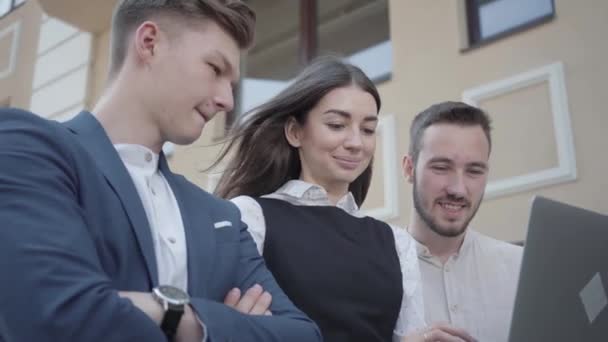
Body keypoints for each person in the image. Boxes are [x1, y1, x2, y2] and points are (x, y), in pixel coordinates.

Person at [0, 1, 322, 341]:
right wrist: (220, 325)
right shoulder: (27, 147)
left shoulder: (223, 217)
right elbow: (58, 319)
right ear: (150, 42)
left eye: (232, 83)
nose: (228, 100)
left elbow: (303, 336)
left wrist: (162, 311)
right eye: (215, 68)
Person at [212, 57, 476, 342]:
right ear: (295, 131)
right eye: (337, 125)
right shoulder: (250, 217)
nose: (355, 143)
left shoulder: (396, 244)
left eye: (367, 129)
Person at [402, 101, 523, 342]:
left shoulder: (522, 268)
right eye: (441, 167)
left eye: (474, 171)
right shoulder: (372, 272)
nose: (458, 189)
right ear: (409, 169)